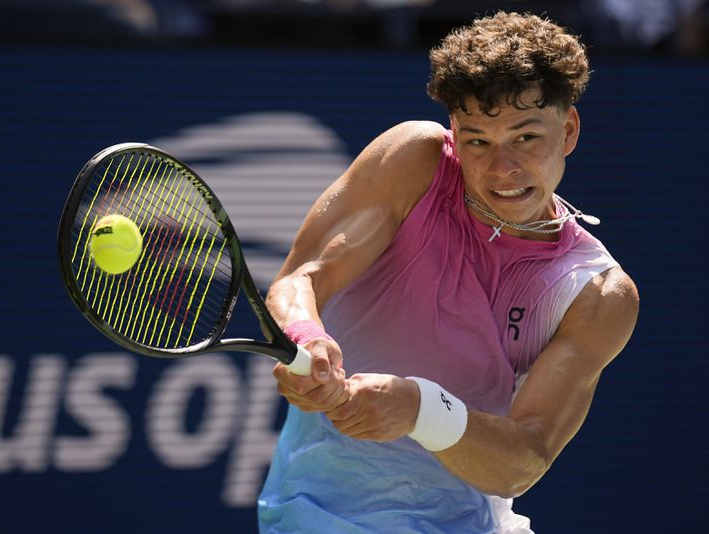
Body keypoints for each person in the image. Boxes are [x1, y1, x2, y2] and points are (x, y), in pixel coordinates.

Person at [257, 11, 639, 533]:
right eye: (477, 140)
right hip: (320, 517)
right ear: (455, 135)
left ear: (568, 129)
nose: (502, 169)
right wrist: (306, 339)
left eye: (526, 137)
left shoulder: (595, 293)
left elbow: (524, 459)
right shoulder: (414, 160)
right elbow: (302, 277)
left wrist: (420, 409)